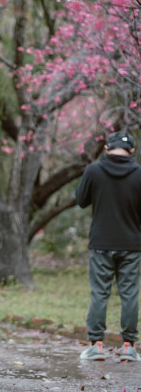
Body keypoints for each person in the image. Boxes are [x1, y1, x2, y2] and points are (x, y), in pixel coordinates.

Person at [76, 130, 141, 362]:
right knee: (130, 295)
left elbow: (81, 200)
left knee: (100, 294)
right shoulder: (139, 173)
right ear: (132, 150)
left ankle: (96, 346)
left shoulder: (93, 171)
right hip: (131, 245)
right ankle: (128, 347)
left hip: (101, 244)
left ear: (106, 148)